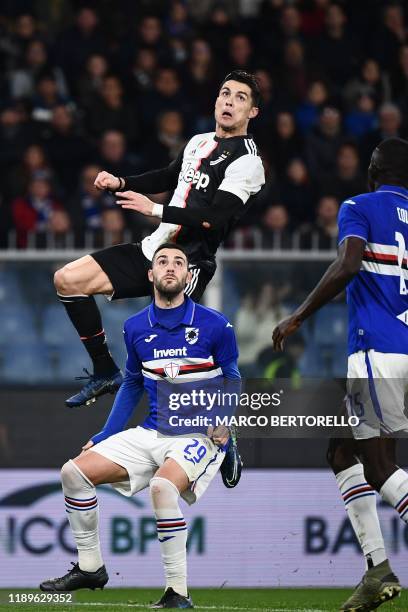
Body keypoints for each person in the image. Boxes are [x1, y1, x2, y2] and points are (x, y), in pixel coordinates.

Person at [40, 243, 240, 609]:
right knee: (73, 473)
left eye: (179, 262)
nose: (170, 266)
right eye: (161, 261)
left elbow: (232, 377)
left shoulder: (215, 324)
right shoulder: (135, 328)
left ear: (188, 276)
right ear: (150, 274)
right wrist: (104, 436)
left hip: (198, 433)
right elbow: (132, 384)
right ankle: (91, 568)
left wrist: (224, 421)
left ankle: (177, 592)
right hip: (152, 431)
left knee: (163, 488)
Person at [54, 70, 264, 410]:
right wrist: (122, 182)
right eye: (225, 93)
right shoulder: (198, 141)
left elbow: (215, 218)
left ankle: (225, 438)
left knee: (172, 369)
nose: (229, 101)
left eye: (241, 98)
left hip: (188, 262)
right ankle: (105, 371)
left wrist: (154, 208)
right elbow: (169, 175)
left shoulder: (248, 162)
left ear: (252, 112)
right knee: (68, 280)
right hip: (154, 249)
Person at [272, 137, 408, 611]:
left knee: (379, 466)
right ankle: (377, 570)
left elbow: (349, 262)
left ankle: (378, 570)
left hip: (376, 351)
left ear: (372, 170)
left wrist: (298, 316)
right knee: (341, 448)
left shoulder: (360, 205)